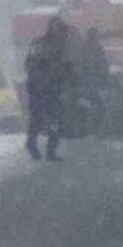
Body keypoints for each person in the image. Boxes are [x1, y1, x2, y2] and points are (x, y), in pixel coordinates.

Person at [25, 16, 77, 161]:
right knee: (40, 119)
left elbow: (67, 68)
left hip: (51, 88)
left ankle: (49, 149)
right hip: (41, 88)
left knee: (54, 120)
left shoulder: (59, 46)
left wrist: (71, 80)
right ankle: (34, 144)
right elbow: (30, 64)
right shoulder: (41, 44)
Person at [78, 27, 110, 136]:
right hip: (95, 85)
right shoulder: (97, 49)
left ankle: (85, 130)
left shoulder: (82, 48)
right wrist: (104, 83)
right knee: (100, 107)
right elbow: (103, 68)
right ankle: (97, 131)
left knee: (85, 107)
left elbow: (80, 67)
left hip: (85, 84)